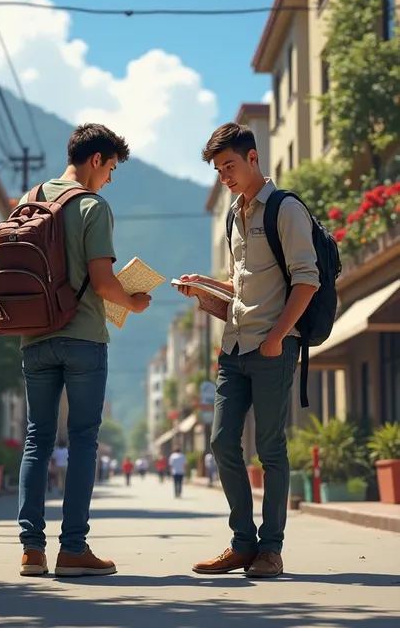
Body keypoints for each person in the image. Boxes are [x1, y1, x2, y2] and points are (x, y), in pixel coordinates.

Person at [178, 123, 319, 578]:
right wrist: (205, 287)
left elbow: (307, 279)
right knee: (221, 442)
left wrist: (278, 337)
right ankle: (243, 543)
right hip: (233, 347)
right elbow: (242, 285)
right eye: (219, 171)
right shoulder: (233, 215)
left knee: (270, 448)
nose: (226, 176)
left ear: (254, 158)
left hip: (272, 347)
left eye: (230, 166)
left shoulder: (285, 208)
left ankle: (270, 549)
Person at [18, 123, 152, 578]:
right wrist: (132, 300)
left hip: (33, 335)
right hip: (83, 339)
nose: (110, 179)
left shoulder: (28, 198)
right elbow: (102, 283)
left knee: (37, 439)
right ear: (96, 160)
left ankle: (31, 550)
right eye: (111, 168)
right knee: (81, 441)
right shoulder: (93, 206)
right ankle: (73, 548)